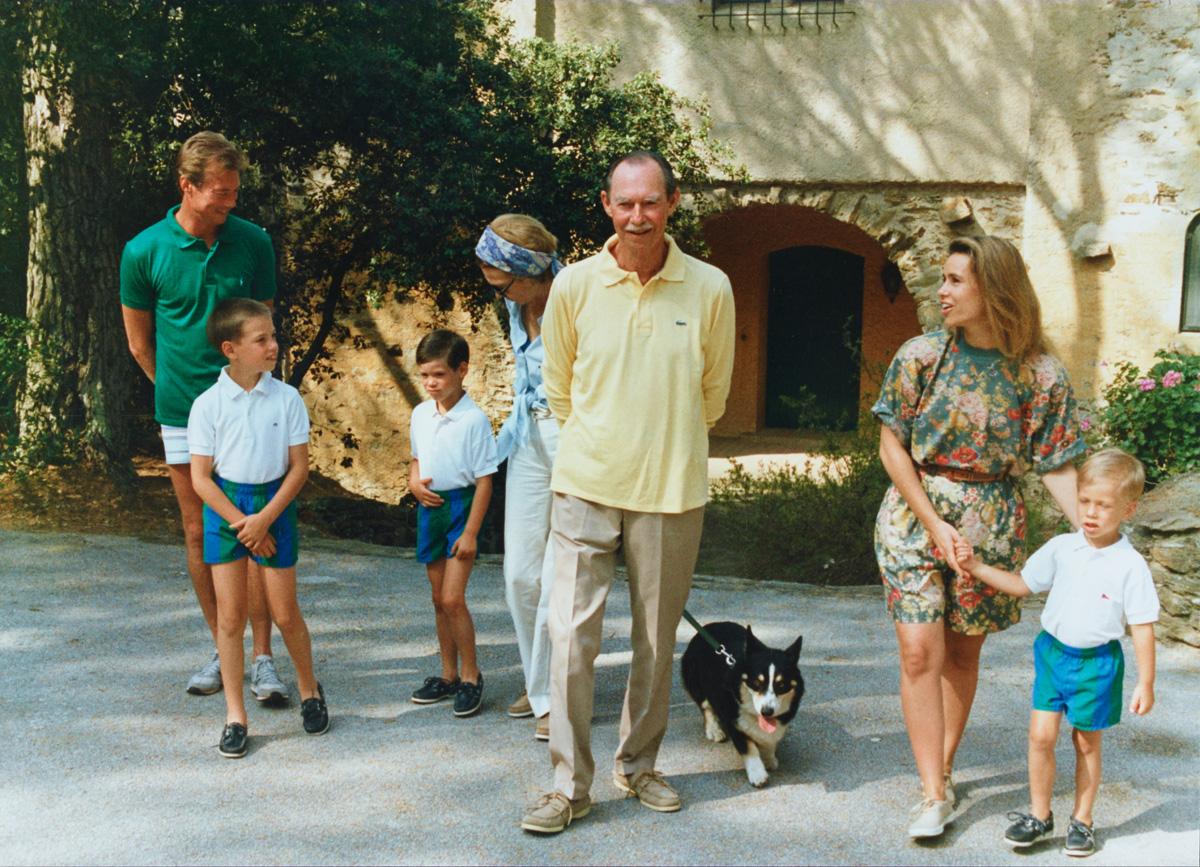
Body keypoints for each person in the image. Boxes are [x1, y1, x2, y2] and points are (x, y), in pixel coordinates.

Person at [520, 151, 735, 834]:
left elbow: (715, 395)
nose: (637, 216)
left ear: (672, 202)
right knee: (571, 639)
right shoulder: (574, 285)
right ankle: (567, 784)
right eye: (625, 203)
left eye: (650, 202)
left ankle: (639, 763)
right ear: (606, 206)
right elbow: (558, 387)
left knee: (654, 639)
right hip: (585, 485)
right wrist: (605, 441)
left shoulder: (710, 288)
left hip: (671, 490)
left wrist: (660, 438)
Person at [873, 235, 1087, 839]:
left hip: (991, 519)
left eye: (955, 280)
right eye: (943, 279)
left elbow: (1058, 462)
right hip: (915, 515)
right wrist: (934, 523)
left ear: (994, 288)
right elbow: (892, 441)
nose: (942, 291)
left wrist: (1094, 537)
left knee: (962, 653)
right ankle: (933, 794)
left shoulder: (1039, 372)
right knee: (920, 649)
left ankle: (939, 766)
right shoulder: (921, 355)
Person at [120, 131, 286, 702]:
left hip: (254, 407)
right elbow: (141, 344)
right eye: (219, 192)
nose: (230, 202)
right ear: (187, 186)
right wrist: (190, 402)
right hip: (184, 414)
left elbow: (264, 326)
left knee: (257, 527)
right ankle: (225, 647)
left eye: (235, 191)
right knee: (200, 531)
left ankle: (263, 658)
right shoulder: (144, 251)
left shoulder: (253, 242)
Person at [955, 448, 1158, 858]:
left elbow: (1141, 625)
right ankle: (1038, 814)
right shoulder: (1062, 547)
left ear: (1129, 509)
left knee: (1086, 743)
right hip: (1052, 655)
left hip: (1097, 664)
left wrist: (1146, 681)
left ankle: (1082, 820)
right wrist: (975, 566)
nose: (1092, 513)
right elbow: (1022, 585)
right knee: (1040, 736)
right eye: (1085, 501)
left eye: (1104, 505)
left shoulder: (1130, 565)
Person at [187, 298, 329, 758]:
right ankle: (234, 714)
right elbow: (201, 478)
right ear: (230, 348)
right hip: (226, 509)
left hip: (274, 505)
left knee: (285, 612)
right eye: (261, 339)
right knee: (230, 618)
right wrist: (241, 523)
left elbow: (299, 468)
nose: (273, 345)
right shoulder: (207, 405)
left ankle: (310, 691)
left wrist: (265, 519)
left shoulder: (286, 398)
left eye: (273, 336)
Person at [474, 214, 563, 742]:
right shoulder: (516, 303)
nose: (498, 295)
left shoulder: (577, 298)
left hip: (574, 440)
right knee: (520, 576)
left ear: (529, 274)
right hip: (528, 437)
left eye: (502, 284)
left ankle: (552, 695)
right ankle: (539, 678)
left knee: (558, 580)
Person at [407, 329, 499, 718]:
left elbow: (485, 481)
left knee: (452, 598)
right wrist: (413, 483)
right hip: (432, 508)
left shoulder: (473, 420)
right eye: (425, 375)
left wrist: (471, 533)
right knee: (436, 599)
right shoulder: (420, 414)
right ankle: (446, 674)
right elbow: (415, 460)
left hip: (462, 509)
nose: (430, 383)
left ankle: (471, 675)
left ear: (462, 371)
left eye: (439, 375)